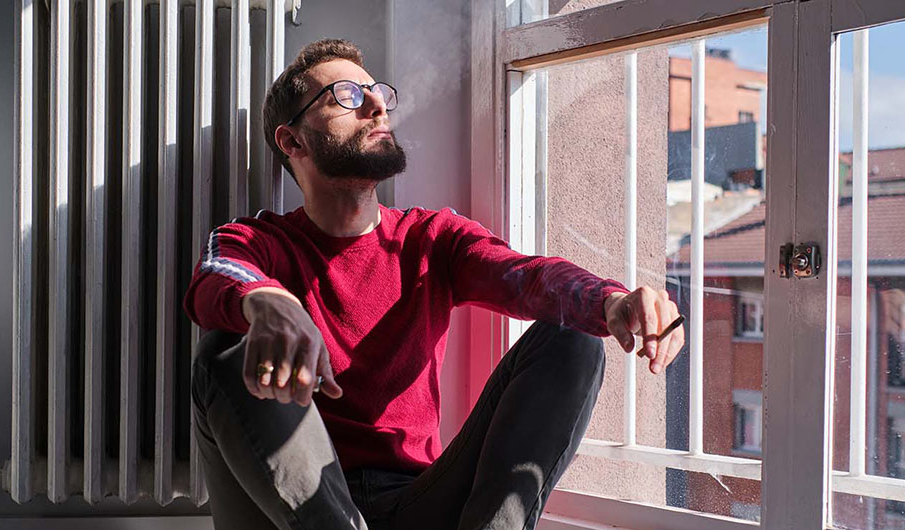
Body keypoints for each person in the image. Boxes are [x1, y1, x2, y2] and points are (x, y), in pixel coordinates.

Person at [184, 38, 685, 530]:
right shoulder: (256, 240)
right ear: (292, 141)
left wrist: (610, 300)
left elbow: (526, 275)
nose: (377, 105)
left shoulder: (430, 238)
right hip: (288, 509)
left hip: (415, 502)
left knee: (572, 337)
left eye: (377, 93)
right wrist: (267, 302)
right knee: (225, 349)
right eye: (347, 97)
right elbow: (217, 276)